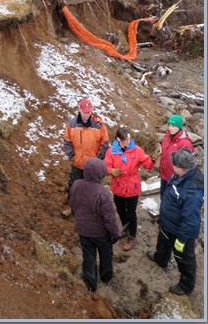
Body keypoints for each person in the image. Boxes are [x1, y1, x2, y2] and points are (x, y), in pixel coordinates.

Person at [149, 149, 204, 295]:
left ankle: (186, 285)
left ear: (182, 168)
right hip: (168, 223)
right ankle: (161, 259)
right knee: (163, 242)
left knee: (184, 258)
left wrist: (182, 240)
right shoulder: (180, 175)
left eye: (174, 164)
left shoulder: (192, 191)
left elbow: (191, 221)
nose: (171, 165)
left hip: (180, 231)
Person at [69, 157, 122, 292]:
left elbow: (73, 205)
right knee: (105, 255)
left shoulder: (76, 185)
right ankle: (106, 276)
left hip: (83, 231)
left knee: (88, 256)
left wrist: (79, 219)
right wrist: (115, 234)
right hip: (100, 234)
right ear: (101, 174)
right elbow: (109, 219)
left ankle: (90, 283)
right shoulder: (102, 193)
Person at [103, 125, 153, 250]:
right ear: (119, 140)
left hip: (132, 187)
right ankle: (126, 229)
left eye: (129, 138)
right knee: (120, 210)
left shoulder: (137, 150)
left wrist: (152, 159)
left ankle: (132, 236)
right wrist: (111, 170)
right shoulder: (111, 151)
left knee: (131, 213)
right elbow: (105, 166)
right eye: (126, 139)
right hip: (118, 186)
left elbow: (147, 164)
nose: (129, 141)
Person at [63, 98, 109, 215]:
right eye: (84, 112)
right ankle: (72, 206)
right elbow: (67, 141)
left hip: (92, 165)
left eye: (89, 112)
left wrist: (98, 159)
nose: (87, 114)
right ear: (79, 109)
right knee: (74, 185)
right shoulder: (72, 124)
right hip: (77, 162)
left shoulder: (99, 125)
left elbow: (105, 142)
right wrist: (72, 156)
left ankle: (89, 208)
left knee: (91, 187)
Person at [158, 114, 194, 195]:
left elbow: (188, 166)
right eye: (169, 125)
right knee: (163, 198)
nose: (171, 128)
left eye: (174, 126)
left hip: (175, 179)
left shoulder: (185, 143)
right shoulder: (167, 138)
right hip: (164, 175)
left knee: (172, 203)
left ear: (179, 127)